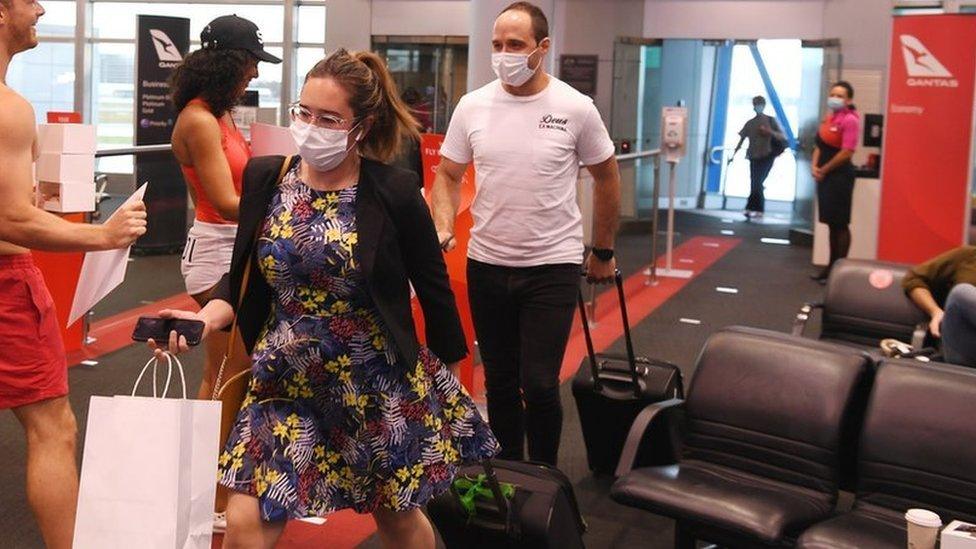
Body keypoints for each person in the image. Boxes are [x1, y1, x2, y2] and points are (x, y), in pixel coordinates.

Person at [150, 48, 497, 549]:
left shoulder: (394, 191)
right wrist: (203, 320)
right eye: (304, 113)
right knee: (246, 519)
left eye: (330, 118)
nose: (312, 127)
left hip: (372, 386)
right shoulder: (267, 178)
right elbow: (245, 273)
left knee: (397, 520)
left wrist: (444, 391)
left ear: (362, 126)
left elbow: (436, 293)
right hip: (282, 381)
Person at [431, 1, 621, 467]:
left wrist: (603, 250)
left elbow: (607, 177)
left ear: (543, 47)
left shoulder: (575, 108)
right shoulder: (472, 105)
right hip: (488, 263)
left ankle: (544, 476)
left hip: (552, 266)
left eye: (514, 45)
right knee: (497, 378)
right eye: (497, 45)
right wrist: (442, 222)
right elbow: (448, 173)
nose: (503, 54)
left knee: (538, 383)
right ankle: (510, 472)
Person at [0, 0, 147, 546]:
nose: (39, 9)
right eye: (28, 0)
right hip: (5, 283)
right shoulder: (8, 107)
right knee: (52, 428)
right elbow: (10, 217)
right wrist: (103, 236)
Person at [169, 15, 281, 529]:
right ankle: (210, 500)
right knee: (226, 374)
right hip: (216, 249)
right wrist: (288, 199)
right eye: (251, 63)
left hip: (235, 248)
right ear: (229, 64)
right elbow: (225, 202)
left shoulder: (221, 114)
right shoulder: (198, 119)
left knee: (228, 373)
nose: (255, 74)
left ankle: (212, 492)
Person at [811, 81, 860, 283]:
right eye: (833, 94)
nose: (835, 98)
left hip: (839, 176)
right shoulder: (828, 118)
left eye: (840, 95)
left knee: (840, 224)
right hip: (825, 177)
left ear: (848, 100)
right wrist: (815, 166)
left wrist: (825, 169)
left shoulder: (850, 120)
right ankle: (830, 268)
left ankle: (839, 273)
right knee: (831, 224)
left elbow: (847, 152)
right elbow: (819, 146)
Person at [903, 245, 976, 367]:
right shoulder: (968, 257)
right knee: (961, 293)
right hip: (964, 350)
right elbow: (913, 279)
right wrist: (935, 311)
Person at [730, 95, 786, 219]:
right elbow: (741, 139)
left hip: (767, 155)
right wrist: (733, 155)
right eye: (756, 104)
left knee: (757, 182)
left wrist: (769, 132)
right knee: (755, 182)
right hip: (753, 156)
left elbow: (783, 136)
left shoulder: (771, 121)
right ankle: (753, 208)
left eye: (759, 103)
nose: (757, 106)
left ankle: (755, 208)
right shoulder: (750, 123)